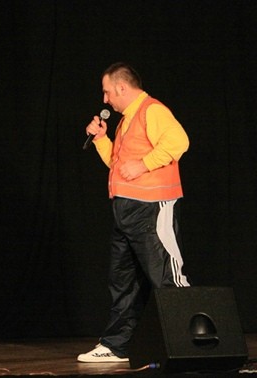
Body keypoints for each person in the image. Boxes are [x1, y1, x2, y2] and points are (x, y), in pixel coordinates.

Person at [77, 62, 190, 363]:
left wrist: (143, 164)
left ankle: (190, 343)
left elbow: (179, 142)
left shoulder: (152, 110)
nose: (105, 99)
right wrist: (101, 140)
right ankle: (117, 346)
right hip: (125, 209)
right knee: (123, 281)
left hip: (151, 207)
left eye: (107, 92)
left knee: (166, 277)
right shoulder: (127, 119)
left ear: (122, 87)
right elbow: (119, 167)